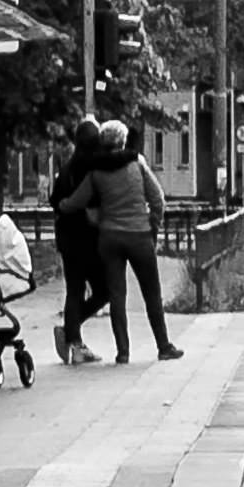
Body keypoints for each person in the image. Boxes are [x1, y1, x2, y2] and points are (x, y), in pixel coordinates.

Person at [77, 117, 184, 363]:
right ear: (123, 140)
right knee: (152, 293)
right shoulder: (137, 163)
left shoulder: (96, 170)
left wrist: (104, 222)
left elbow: (89, 210)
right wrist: (153, 227)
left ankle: (123, 352)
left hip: (110, 238)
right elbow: (157, 199)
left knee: (117, 295)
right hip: (139, 236)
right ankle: (164, 346)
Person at [47, 125, 109, 364]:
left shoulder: (67, 169)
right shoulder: (94, 169)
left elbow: (54, 200)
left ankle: (73, 338)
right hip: (89, 239)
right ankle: (71, 333)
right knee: (104, 290)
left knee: (74, 289)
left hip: (67, 238)